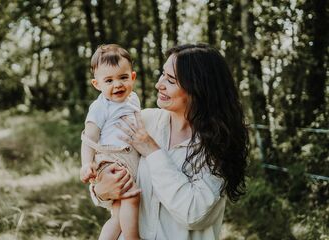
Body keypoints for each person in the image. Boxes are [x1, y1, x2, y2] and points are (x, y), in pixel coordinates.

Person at [91, 43, 249, 240]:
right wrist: (100, 191)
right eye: (162, 75)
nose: (159, 85)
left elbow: (194, 214)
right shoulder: (142, 121)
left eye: (171, 80)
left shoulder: (218, 145)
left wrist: (153, 151)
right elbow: (109, 167)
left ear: (198, 89)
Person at [80, 44, 141, 240]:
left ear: (132, 77)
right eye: (109, 80)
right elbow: (88, 138)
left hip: (128, 159)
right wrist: (86, 164)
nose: (117, 85)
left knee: (117, 214)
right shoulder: (100, 107)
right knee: (131, 196)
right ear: (97, 84)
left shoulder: (133, 100)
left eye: (123, 77)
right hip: (111, 160)